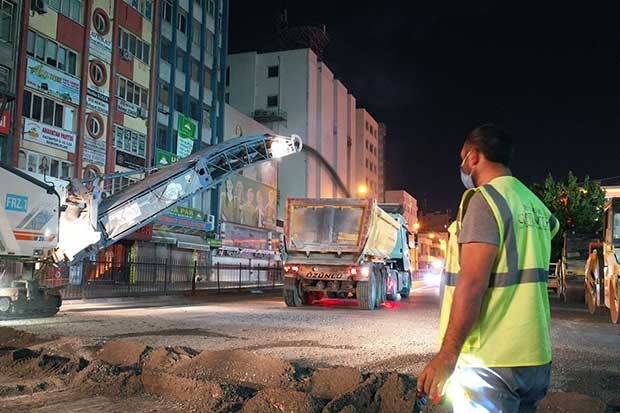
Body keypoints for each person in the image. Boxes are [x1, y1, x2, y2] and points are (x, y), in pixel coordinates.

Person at [417, 124, 560, 412]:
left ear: (473, 157)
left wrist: (447, 355)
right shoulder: (534, 205)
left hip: (492, 360)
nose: (462, 166)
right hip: (535, 357)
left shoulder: (486, 201)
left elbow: (471, 284)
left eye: (462, 158)